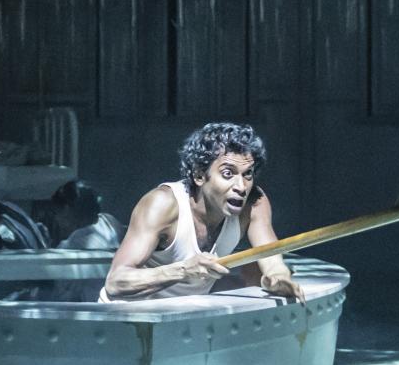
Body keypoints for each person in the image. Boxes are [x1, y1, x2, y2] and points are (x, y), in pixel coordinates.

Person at [100, 122, 304, 303]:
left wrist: (278, 279)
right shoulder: (162, 204)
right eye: (228, 174)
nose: (241, 186)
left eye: (247, 174)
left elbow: (273, 263)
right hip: (124, 320)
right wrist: (184, 270)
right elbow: (116, 281)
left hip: (181, 322)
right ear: (199, 175)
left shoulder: (254, 204)